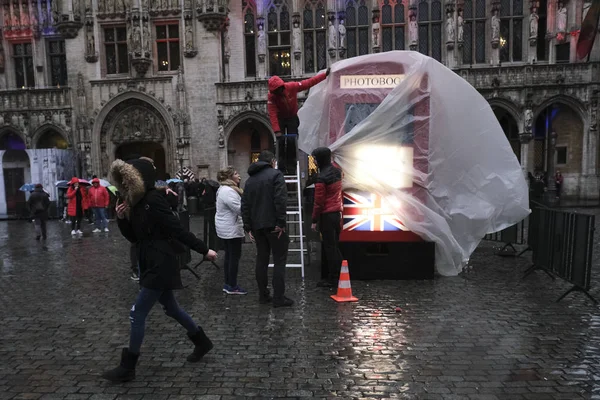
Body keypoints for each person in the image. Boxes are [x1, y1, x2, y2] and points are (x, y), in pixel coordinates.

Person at [102, 157, 218, 383]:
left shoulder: (154, 199)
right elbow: (135, 238)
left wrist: (204, 250)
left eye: (128, 181)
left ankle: (128, 366)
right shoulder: (135, 203)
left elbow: (177, 229)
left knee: (137, 314)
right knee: (172, 308)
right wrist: (122, 219)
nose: (124, 186)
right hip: (149, 262)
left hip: (161, 264)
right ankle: (201, 342)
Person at [241, 150, 293, 308]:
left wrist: (248, 226)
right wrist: (281, 222)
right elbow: (280, 199)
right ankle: (278, 297)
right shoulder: (276, 175)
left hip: (258, 226)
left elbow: (245, 205)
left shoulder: (250, 181)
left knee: (261, 260)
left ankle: (263, 295)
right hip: (273, 225)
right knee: (279, 260)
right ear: (272, 161)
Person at [267, 68, 330, 173]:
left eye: (279, 90)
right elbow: (272, 113)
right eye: (276, 91)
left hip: (292, 117)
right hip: (281, 118)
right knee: (281, 142)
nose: (278, 93)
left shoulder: (291, 87)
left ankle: (291, 165)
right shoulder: (272, 97)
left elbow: (308, 83)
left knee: (292, 141)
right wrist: (277, 130)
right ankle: (282, 166)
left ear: (282, 87)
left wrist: (324, 75)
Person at [310, 147, 343, 288]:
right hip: (337, 214)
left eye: (315, 159)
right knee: (335, 246)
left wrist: (314, 220)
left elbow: (319, 202)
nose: (315, 162)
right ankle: (341, 273)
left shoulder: (321, 178)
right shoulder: (337, 171)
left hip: (327, 216)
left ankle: (333, 278)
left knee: (330, 248)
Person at [216, 166, 247, 295]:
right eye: (236, 173)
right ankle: (232, 285)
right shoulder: (228, 191)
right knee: (233, 257)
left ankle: (228, 283)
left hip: (227, 227)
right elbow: (239, 209)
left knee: (229, 256)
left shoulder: (225, 189)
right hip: (230, 228)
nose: (239, 175)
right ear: (229, 177)